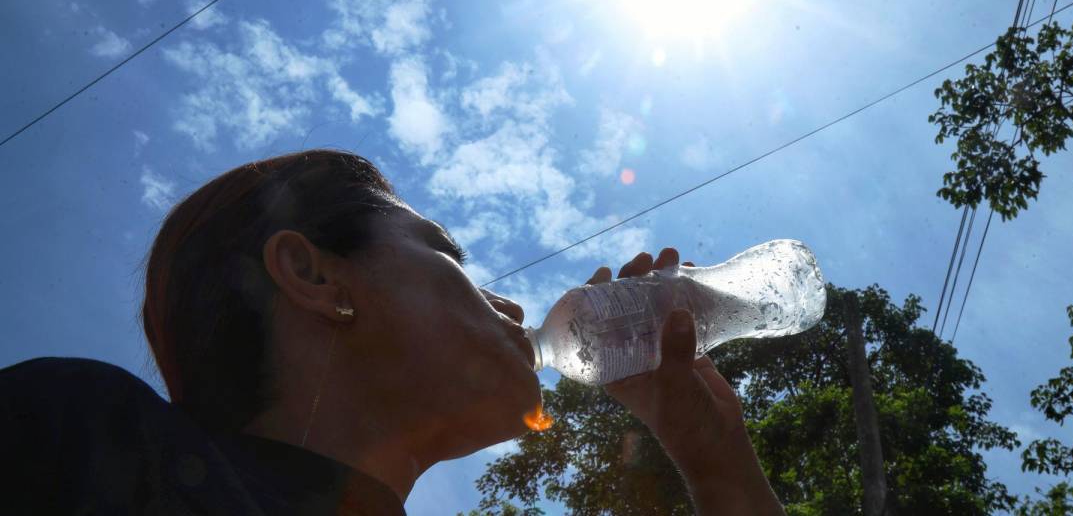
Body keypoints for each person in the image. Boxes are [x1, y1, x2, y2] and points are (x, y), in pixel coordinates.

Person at [0, 149, 783, 515]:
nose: (508, 307)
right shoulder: (87, 442)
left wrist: (716, 465)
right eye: (448, 253)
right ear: (314, 278)